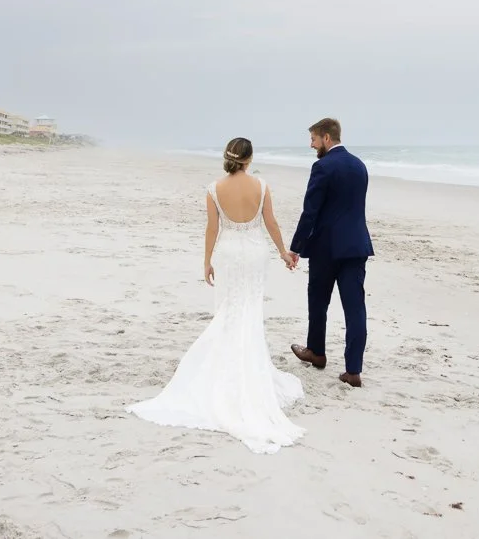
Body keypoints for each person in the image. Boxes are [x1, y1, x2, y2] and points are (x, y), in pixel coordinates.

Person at [128, 137, 306, 453]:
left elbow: (213, 228)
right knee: (250, 311)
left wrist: (207, 261)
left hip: (228, 254)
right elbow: (270, 223)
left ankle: (223, 372)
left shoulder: (214, 189)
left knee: (228, 311)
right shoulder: (261, 186)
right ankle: (249, 374)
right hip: (253, 254)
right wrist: (282, 252)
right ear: (249, 159)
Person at [289, 117, 374, 388]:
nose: (312, 145)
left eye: (314, 139)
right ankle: (353, 371)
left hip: (327, 248)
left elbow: (310, 212)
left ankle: (316, 352)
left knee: (318, 300)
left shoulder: (322, 167)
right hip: (356, 246)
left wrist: (296, 247)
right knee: (355, 308)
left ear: (327, 137)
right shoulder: (360, 166)